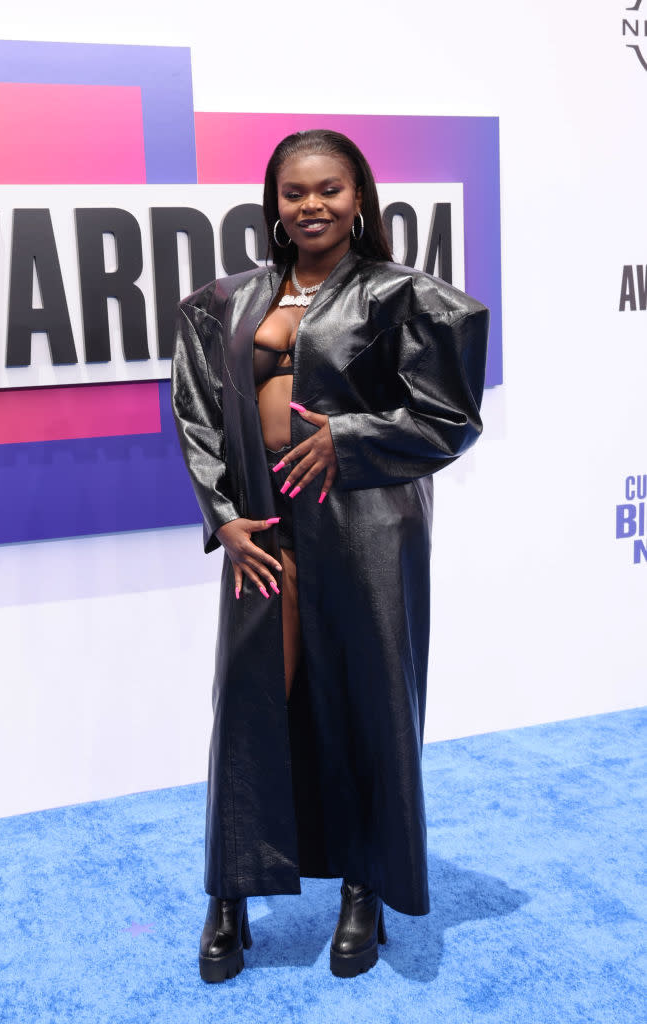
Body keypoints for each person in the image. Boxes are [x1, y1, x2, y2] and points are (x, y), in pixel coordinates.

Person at [171, 129, 489, 983]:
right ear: (272, 204)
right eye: (292, 192)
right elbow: (196, 414)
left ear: (359, 197)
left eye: (329, 189)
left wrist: (347, 439)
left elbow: (449, 416)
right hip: (263, 530)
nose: (310, 205)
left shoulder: (403, 296)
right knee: (250, 703)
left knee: (364, 694)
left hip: (366, 525)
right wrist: (224, 516)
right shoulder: (223, 302)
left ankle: (363, 888)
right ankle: (229, 897)